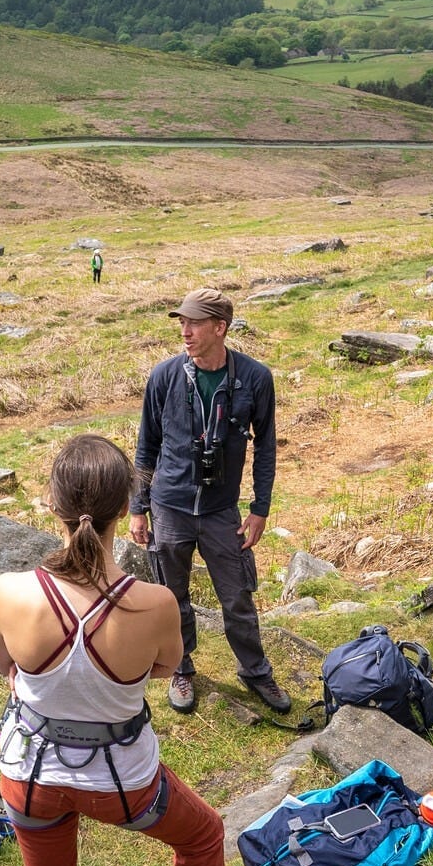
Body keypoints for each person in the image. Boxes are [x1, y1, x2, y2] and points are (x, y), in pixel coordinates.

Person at [0, 435, 296, 866]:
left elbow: (3, 664)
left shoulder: (10, 591)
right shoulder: (152, 603)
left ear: (52, 503)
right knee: (203, 833)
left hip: (31, 774)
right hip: (121, 782)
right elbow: (163, 669)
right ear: (126, 503)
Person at [130, 288, 289, 716]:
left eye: (194, 323)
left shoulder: (255, 378)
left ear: (220, 328)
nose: (185, 331)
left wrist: (260, 509)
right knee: (171, 597)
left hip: (222, 510)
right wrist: (137, 507)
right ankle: (181, 668)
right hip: (169, 508)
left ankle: (255, 671)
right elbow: (146, 448)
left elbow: (267, 448)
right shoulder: (164, 376)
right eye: (181, 322)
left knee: (237, 597)